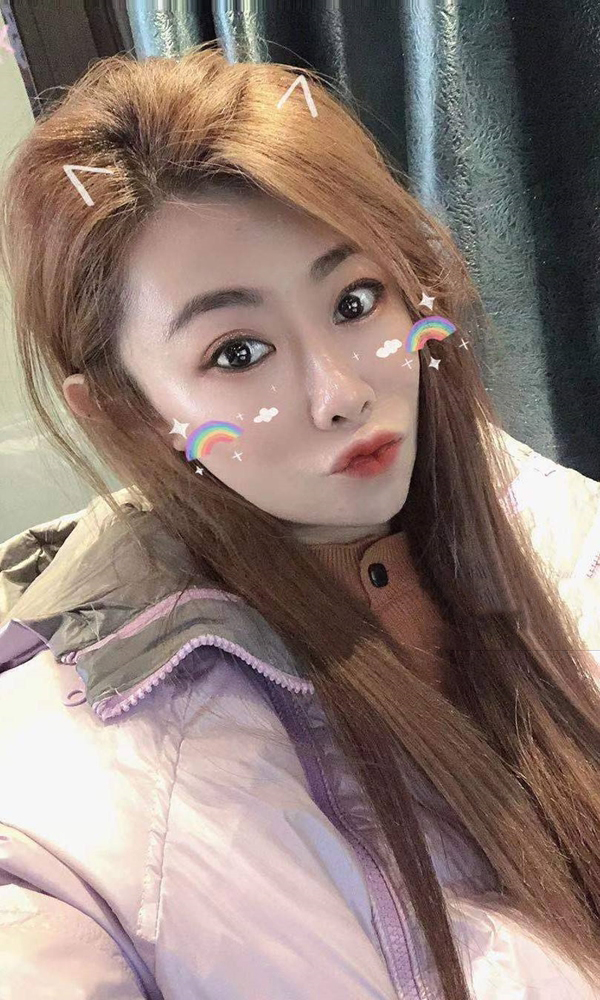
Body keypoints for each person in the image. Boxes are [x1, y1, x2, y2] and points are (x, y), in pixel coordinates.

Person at [0, 39, 599, 1000]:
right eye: (238, 353)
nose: (340, 393)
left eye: (355, 301)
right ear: (127, 411)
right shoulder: (99, 772)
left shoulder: (540, 513)